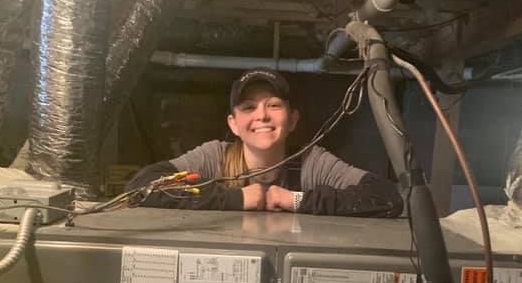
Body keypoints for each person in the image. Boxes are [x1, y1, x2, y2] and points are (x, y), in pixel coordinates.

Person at [127, 69, 404, 217]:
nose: (261, 115)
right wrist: (236, 199)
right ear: (233, 124)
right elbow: (141, 188)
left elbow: (386, 197)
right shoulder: (215, 157)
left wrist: (295, 199)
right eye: (248, 107)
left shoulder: (311, 162)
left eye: (273, 105)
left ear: (293, 119)